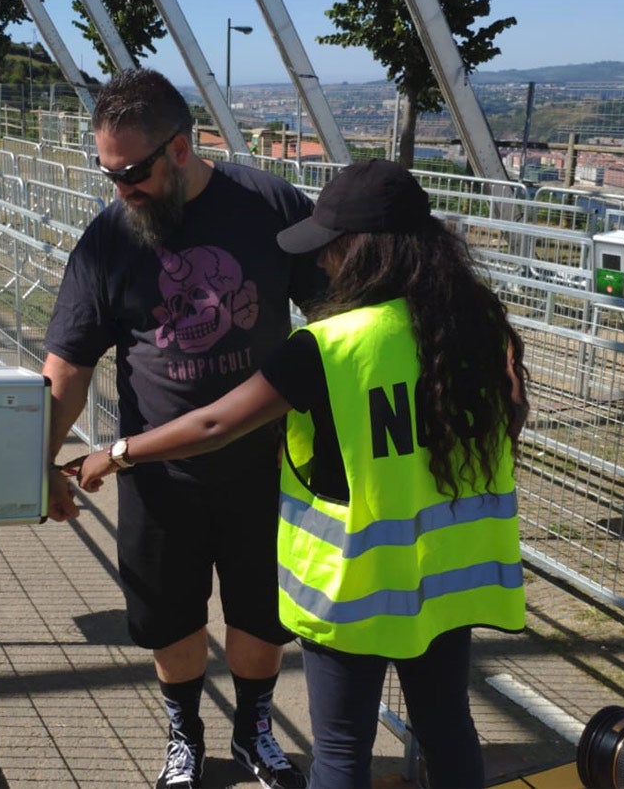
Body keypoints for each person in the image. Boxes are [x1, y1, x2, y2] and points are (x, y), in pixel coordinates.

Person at [76, 159, 529, 789]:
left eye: (332, 249)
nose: (323, 266)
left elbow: (213, 425)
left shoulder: (330, 345)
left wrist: (119, 451)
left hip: (357, 585)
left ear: (365, 253)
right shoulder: (479, 326)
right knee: (448, 726)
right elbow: (508, 422)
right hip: (450, 577)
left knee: (341, 749)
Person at [42, 68, 322, 789]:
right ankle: (185, 734)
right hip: (159, 476)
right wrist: (35, 463)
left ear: (182, 146)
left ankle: (254, 729)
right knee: (170, 619)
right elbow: (66, 366)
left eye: (132, 172)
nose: (120, 189)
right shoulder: (109, 239)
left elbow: (338, 318)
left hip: (267, 468)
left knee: (262, 613)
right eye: (107, 172)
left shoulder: (269, 205)